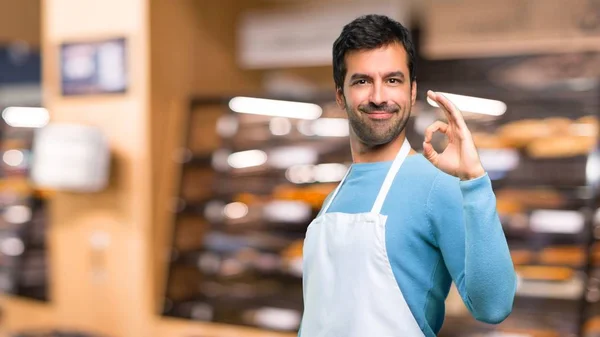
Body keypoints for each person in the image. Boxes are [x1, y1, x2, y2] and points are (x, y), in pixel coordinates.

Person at [299, 14, 517, 337]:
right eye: (361, 81)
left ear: (412, 91)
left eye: (392, 80)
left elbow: (494, 305)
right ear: (340, 95)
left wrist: (474, 179)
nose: (378, 96)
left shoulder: (435, 186)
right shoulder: (335, 197)